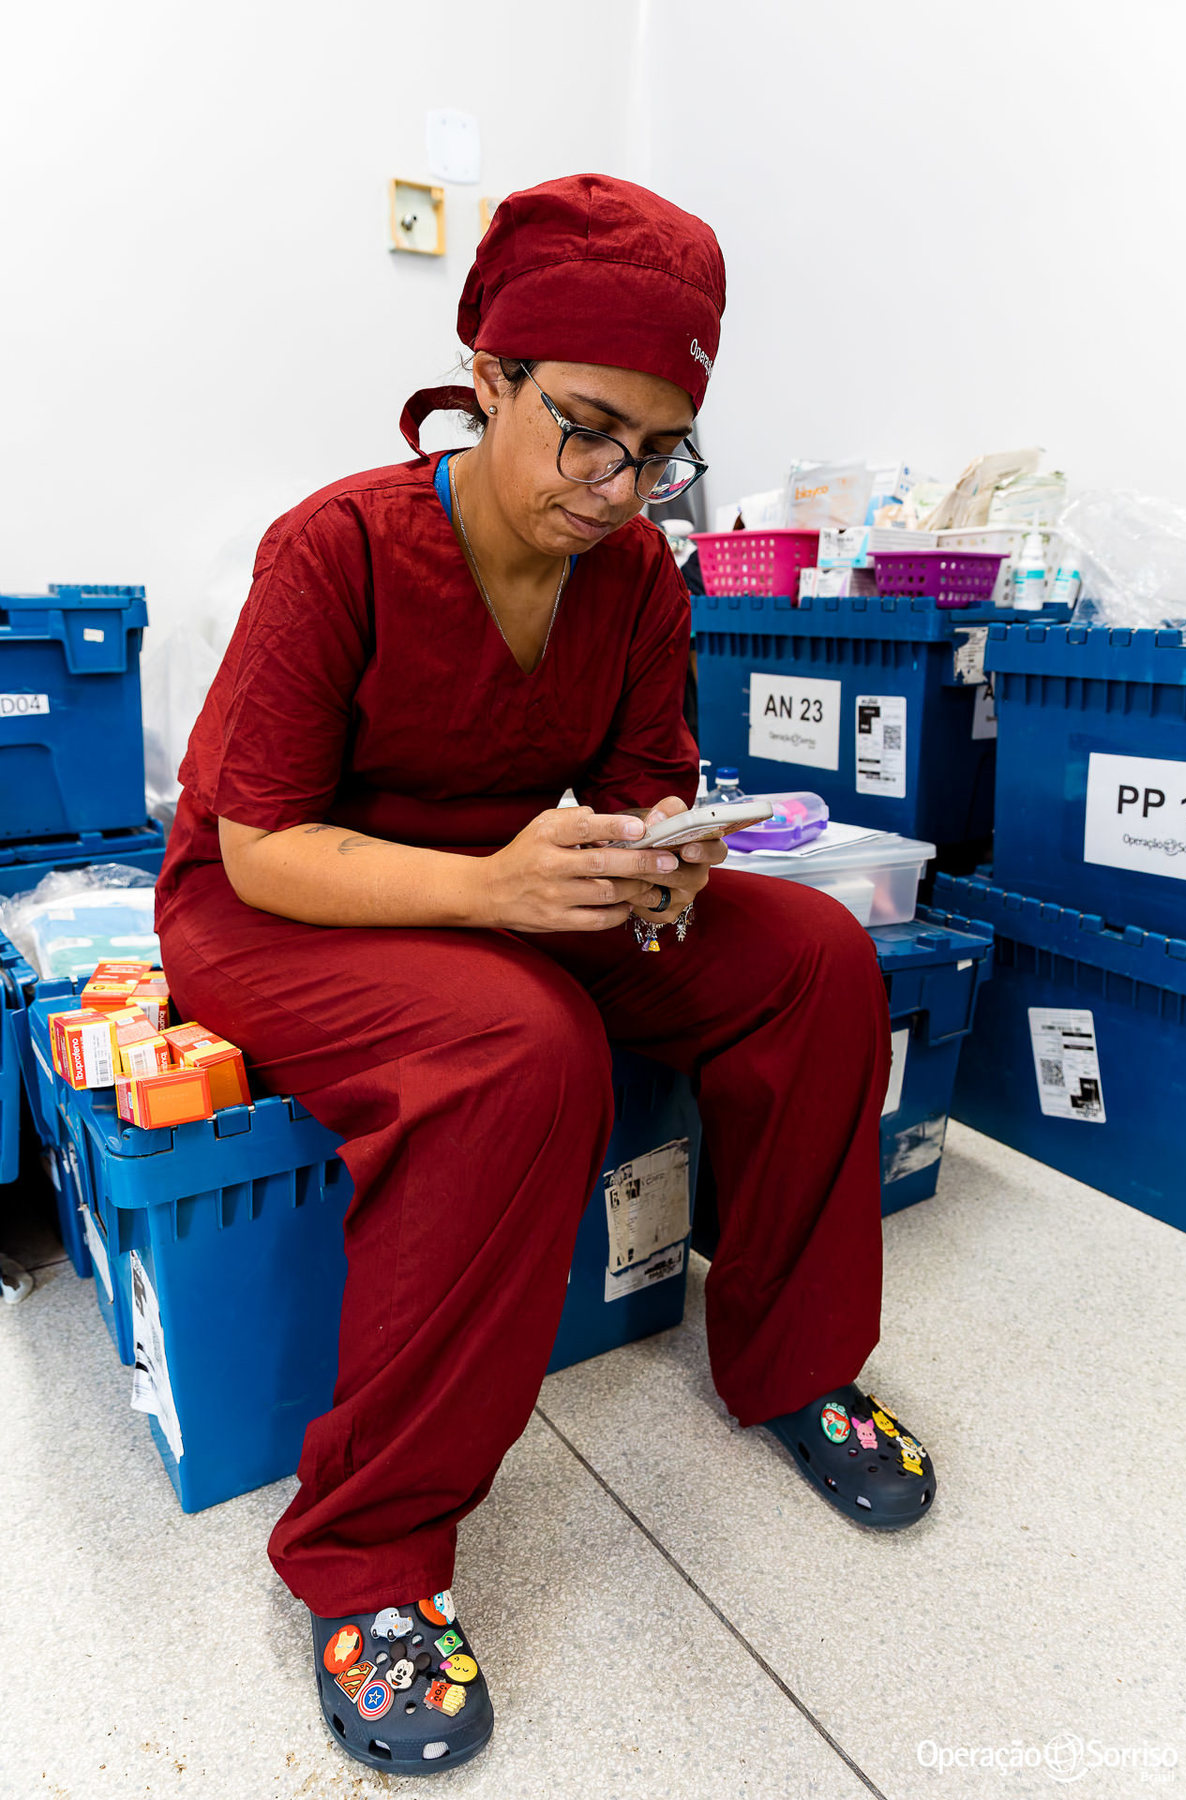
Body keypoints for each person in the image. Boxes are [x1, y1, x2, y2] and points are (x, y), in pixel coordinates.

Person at [154, 172, 935, 1778]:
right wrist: (491, 892)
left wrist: (663, 857)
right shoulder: (338, 547)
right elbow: (262, 844)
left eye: (661, 451)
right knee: (522, 1051)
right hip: (289, 901)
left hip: (510, 882)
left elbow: (643, 783)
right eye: (587, 429)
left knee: (813, 959)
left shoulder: (637, 575)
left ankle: (797, 1364)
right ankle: (371, 1556)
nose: (617, 485)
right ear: (489, 377)